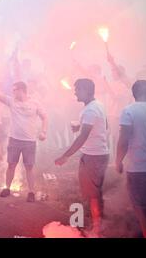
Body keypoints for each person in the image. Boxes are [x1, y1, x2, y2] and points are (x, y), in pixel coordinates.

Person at [55, 79, 109, 237]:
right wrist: (81, 126)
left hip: (93, 156)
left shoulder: (90, 110)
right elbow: (104, 126)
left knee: (93, 194)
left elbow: (83, 137)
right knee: (94, 192)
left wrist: (65, 156)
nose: (75, 92)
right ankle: (98, 225)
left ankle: (97, 229)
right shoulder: (98, 105)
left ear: (86, 90)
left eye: (77, 89)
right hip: (98, 154)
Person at [0, 80, 47, 202]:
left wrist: (44, 131)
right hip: (14, 140)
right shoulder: (11, 101)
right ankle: (7, 188)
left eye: (14, 90)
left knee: (29, 167)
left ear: (21, 90)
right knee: (11, 165)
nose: (12, 93)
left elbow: (45, 117)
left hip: (29, 141)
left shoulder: (35, 103)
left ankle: (31, 192)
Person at [115, 80, 146, 238]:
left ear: (134, 94)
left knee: (141, 207)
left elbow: (124, 139)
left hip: (139, 168)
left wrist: (118, 161)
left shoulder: (129, 111)